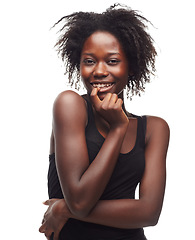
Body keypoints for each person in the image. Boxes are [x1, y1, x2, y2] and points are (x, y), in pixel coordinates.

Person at [39, 4, 170, 240]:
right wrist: (118, 129)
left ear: (130, 67)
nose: (99, 71)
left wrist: (62, 208)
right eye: (89, 61)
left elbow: (149, 213)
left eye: (112, 61)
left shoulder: (154, 129)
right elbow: (80, 200)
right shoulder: (69, 105)